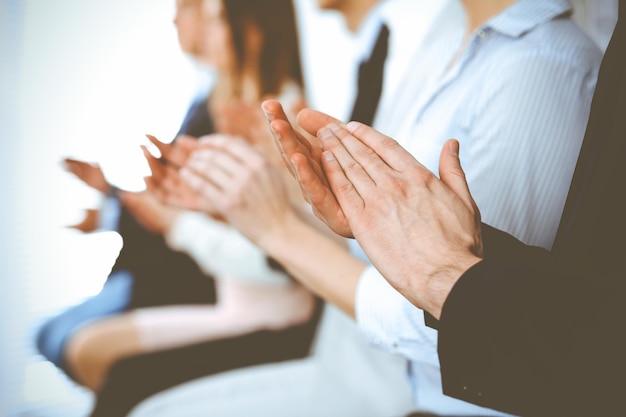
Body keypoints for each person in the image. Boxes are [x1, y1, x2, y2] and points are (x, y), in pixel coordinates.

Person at [162, 0, 602, 415]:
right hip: (348, 368)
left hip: (404, 399)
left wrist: (278, 229)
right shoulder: (449, 42)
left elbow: (470, 322)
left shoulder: (541, 66)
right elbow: (394, 248)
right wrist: (285, 198)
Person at [83, 0, 324, 416]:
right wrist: (193, 206)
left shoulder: (282, 116)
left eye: (214, 21)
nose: (202, 34)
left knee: (108, 371)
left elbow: (282, 256)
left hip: (276, 313)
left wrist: (179, 224)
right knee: (96, 357)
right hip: (238, 297)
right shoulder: (231, 107)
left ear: (250, 31)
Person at [35, 0, 218, 385]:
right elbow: (180, 201)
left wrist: (112, 210)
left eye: (186, 7)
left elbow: (192, 210)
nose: (174, 17)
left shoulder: (226, 106)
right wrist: (110, 199)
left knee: (58, 339)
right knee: (51, 338)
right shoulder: (205, 95)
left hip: (181, 276)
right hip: (167, 262)